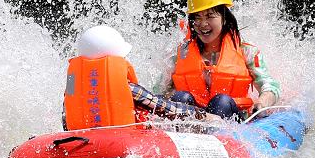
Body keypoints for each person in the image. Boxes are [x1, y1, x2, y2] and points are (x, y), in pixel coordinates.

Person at [154, 0, 281, 120]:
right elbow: (159, 92)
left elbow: (270, 86)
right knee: (180, 98)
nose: (202, 24)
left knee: (221, 102)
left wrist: (262, 103)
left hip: (230, 120)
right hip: (192, 120)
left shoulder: (246, 50)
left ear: (224, 18)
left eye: (210, 16)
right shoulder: (179, 54)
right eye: (197, 17)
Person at [63, 25, 216, 131]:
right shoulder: (128, 88)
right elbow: (164, 108)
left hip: (82, 144)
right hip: (119, 143)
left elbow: (66, 121)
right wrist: (203, 115)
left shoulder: (72, 86)